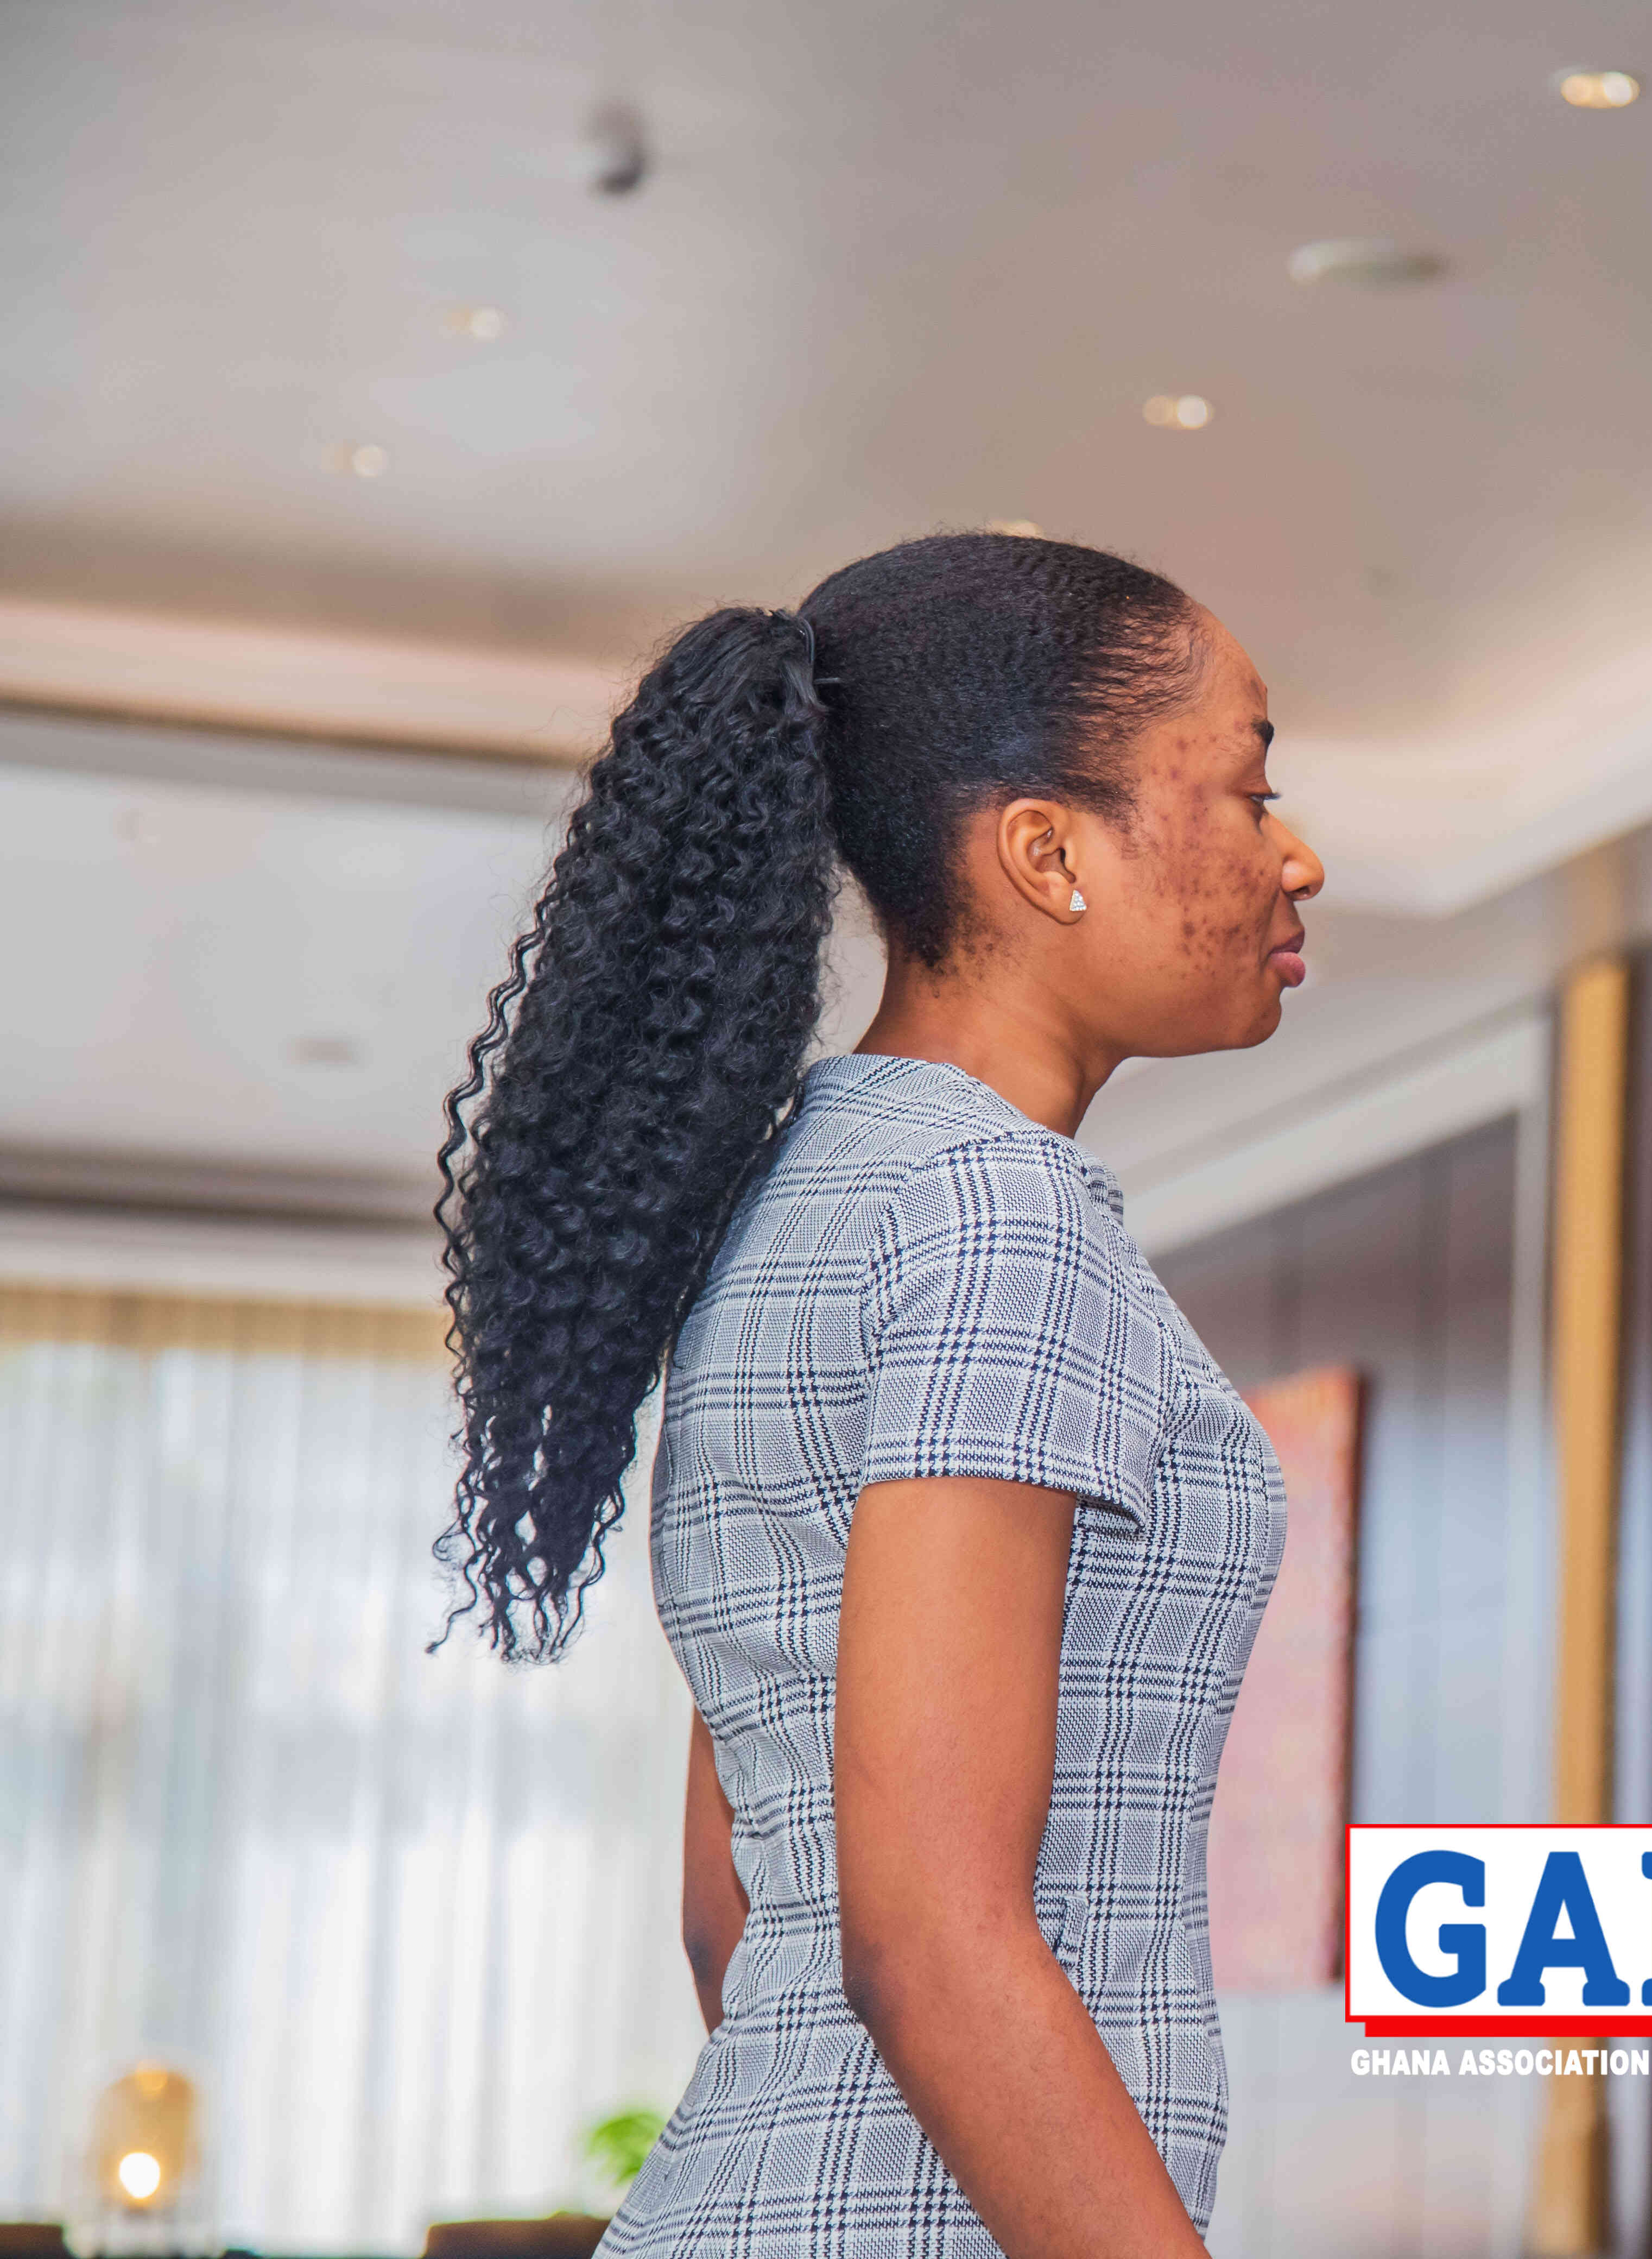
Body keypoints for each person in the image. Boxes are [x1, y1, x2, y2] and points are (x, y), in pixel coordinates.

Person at [435, 533, 1321, 2258]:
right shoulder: (997, 1209)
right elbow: (927, 1935)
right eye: (1249, 787)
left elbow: (732, 1914)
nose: (1297, 854)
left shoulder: (794, 1191)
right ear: (1047, 854)